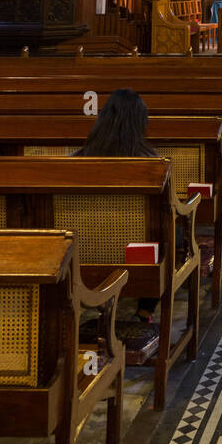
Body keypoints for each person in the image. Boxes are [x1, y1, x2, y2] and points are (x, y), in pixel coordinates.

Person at [74, 88, 159, 322]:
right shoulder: (152, 165)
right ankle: (145, 311)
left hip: (81, 252)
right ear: (141, 122)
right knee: (171, 234)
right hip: (132, 255)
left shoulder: (74, 162)